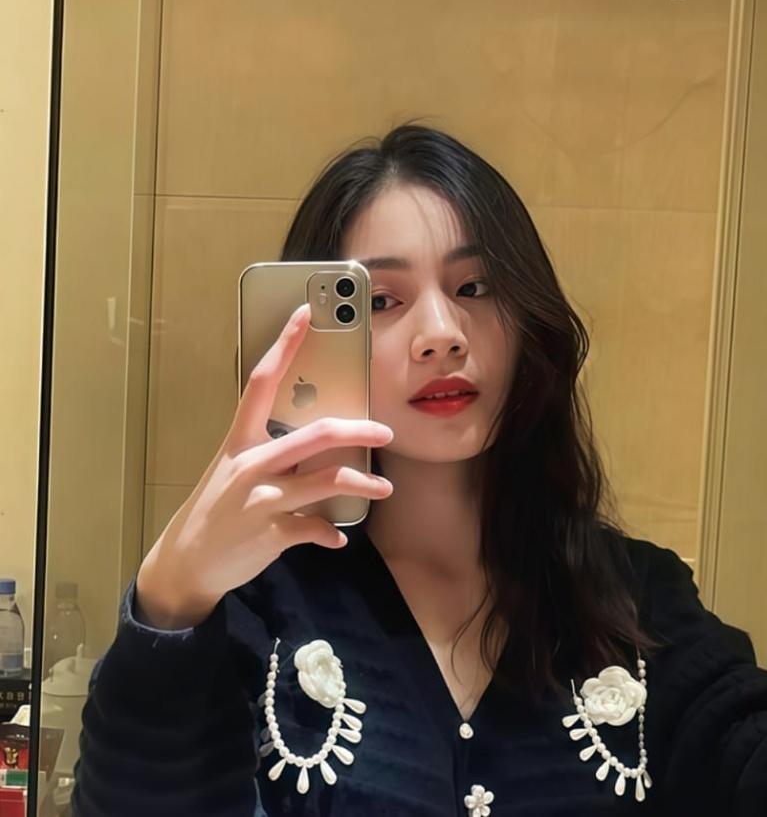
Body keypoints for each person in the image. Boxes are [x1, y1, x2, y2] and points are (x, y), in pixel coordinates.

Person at [71, 123, 767, 816]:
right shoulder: (257, 606)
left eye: (475, 286)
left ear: (528, 320)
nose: (441, 334)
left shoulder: (636, 600)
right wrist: (171, 594)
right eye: (380, 300)